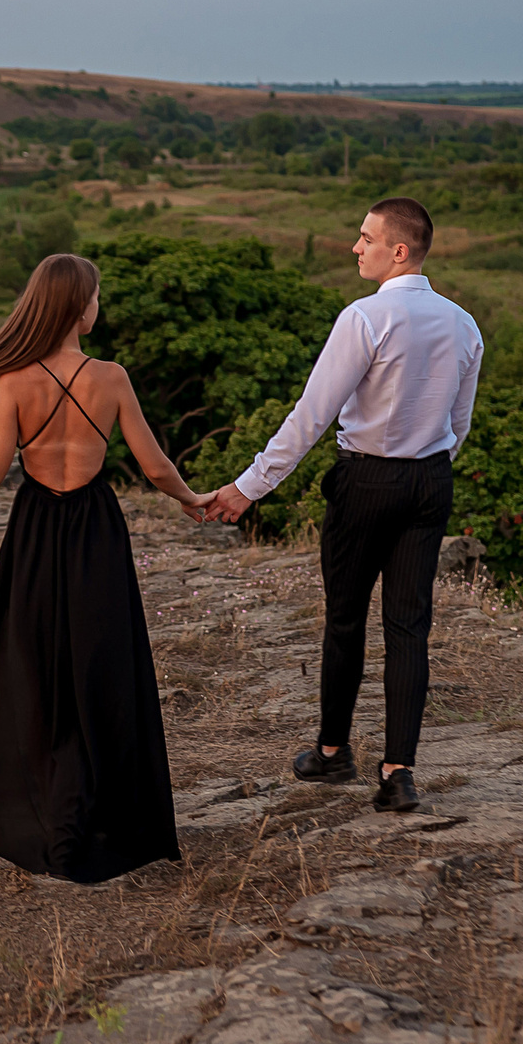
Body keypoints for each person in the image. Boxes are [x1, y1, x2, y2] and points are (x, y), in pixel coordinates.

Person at [0, 252, 208, 883]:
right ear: (79, 306)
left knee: (36, 670)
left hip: (37, 532)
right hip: (96, 531)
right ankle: (97, 812)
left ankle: (43, 813)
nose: (100, 306)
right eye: (97, 297)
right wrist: (193, 500)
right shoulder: (112, 377)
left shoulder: (12, 380)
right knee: (100, 668)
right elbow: (154, 468)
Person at [199, 198, 482, 816]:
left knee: (347, 618)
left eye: (366, 238)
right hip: (431, 483)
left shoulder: (364, 317)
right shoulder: (464, 324)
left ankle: (333, 752)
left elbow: (312, 415)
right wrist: (425, 470)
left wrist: (248, 487)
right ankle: (399, 774)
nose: (356, 247)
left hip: (367, 481)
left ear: (398, 250)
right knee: (410, 628)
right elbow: (458, 426)